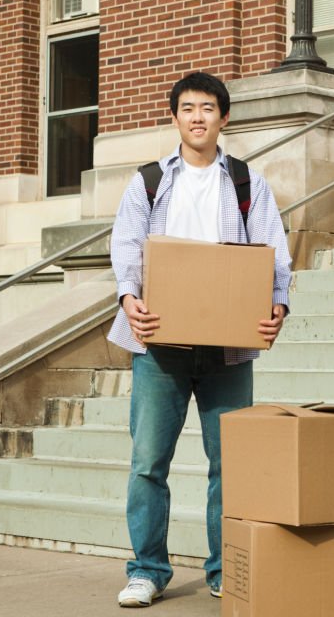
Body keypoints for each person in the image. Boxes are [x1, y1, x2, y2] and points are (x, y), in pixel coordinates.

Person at [107, 71, 292, 608]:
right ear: (174, 117)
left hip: (227, 350)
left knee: (229, 465)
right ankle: (146, 569)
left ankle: (223, 568)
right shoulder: (147, 181)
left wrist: (277, 305)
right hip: (160, 346)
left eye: (207, 108)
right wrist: (128, 299)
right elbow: (126, 247)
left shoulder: (246, 183)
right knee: (147, 463)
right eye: (187, 108)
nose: (197, 117)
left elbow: (274, 252)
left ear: (223, 117)